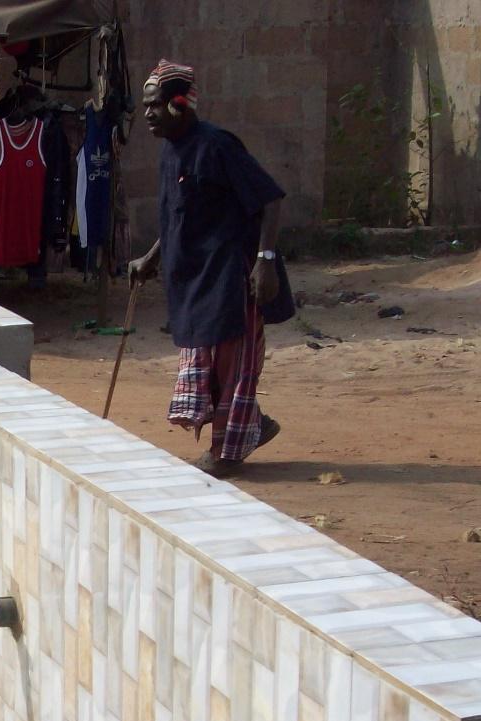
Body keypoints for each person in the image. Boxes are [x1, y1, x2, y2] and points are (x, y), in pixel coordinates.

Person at [128, 60, 285, 477]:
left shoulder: (217, 145)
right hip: (193, 277)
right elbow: (181, 214)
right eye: (146, 106)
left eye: (156, 105)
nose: (148, 114)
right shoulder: (170, 151)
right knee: (208, 361)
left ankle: (226, 452)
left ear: (180, 104)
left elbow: (269, 199)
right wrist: (152, 256)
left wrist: (264, 262)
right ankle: (254, 424)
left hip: (230, 274)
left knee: (232, 360)